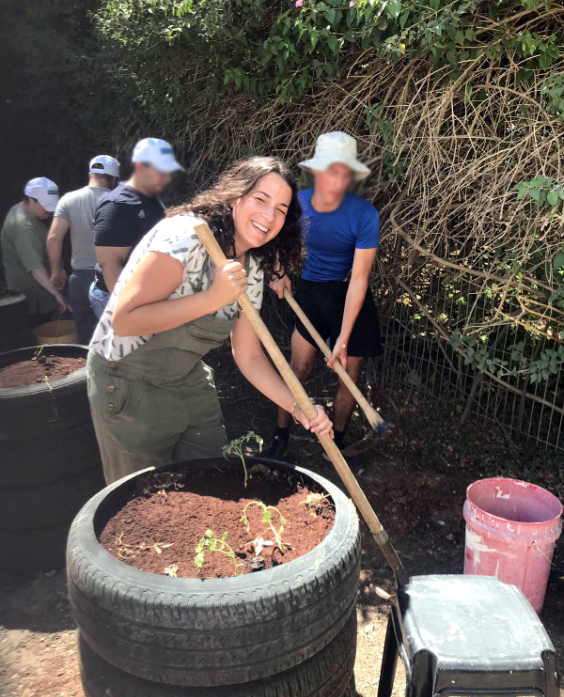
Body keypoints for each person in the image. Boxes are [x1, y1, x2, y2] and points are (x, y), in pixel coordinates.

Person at [87, 157, 334, 484]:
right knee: (144, 498)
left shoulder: (253, 269)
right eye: (260, 199)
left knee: (213, 479)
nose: (269, 215)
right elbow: (125, 321)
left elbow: (249, 356)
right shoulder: (185, 236)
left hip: (186, 379)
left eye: (281, 209)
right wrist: (212, 298)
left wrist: (296, 405)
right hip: (127, 378)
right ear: (236, 197)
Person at [266, 132, 382, 473]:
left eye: (344, 172)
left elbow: (359, 278)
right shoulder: (296, 204)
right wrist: (277, 271)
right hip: (311, 293)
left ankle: (337, 445)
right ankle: (280, 437)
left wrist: (343, 338)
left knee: (349, 372)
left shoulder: (364, 214)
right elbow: (272, 236)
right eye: (331, 170)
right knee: (297, 368)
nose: (337, 179)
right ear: (316, 171)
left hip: (349, 294)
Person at [89, 138, 183, 319]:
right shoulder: (118, 204)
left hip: (143, 294)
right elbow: (109, 262)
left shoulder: (150, 199)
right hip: (115, 296)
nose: (167, 177)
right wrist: (126, 310)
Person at [47, 155, 120, 344]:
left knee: (86, 337)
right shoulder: (120, 201)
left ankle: (86, 372)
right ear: (114, 179)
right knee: (115, 335)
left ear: (90, 174)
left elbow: (54, 238)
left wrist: (56, 270)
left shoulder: (69, 200)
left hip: (80, 279)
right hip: (111, 279)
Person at [1, 177, 68, 320]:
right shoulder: (23, 226)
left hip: (42, 295)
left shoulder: (24, 212)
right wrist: (57, 294)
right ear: (32, 199)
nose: (49, 211)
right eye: (46, 205)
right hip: (34, 300)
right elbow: (35, 268)